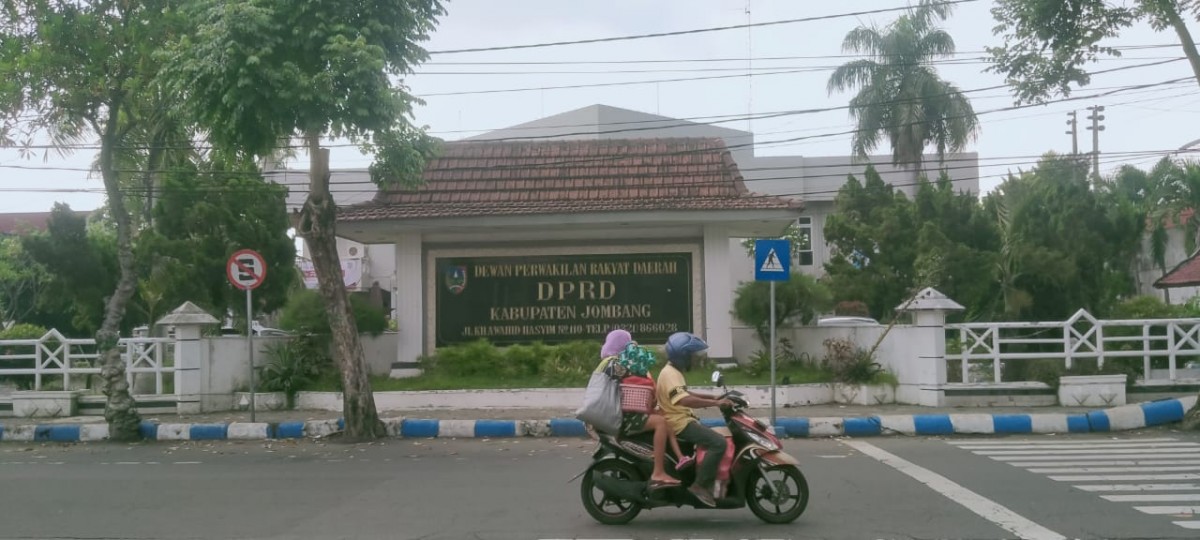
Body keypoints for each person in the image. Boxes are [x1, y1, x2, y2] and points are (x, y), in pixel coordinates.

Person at [598, 329, 688, 489]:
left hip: (623, 413)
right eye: (627, 343)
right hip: (623, 417)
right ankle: (658, 472)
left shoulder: (611, 362)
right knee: (660, 423)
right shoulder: (614, 363)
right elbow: (632, 379)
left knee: (664, 420)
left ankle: (678, 458)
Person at [655, 331, 733, 508]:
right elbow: (684, 400)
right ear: (682, 356)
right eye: (691, 355)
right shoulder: (670, 374)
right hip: (679, 423)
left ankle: (707, 479)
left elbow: (686, 393)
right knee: (719, 443)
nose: (693, 359)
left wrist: (714, 398)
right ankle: (700, 486)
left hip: (682, 419)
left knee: (713, 440)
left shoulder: (672, 371)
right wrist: (716, 404)